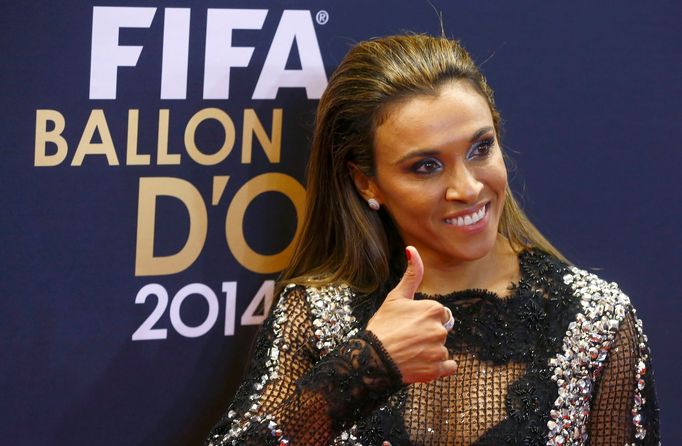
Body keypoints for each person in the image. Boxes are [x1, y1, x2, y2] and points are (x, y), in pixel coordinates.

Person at [205, 34, 660, 446]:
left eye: (480, 148)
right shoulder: (317, 314)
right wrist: (368, 364)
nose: (467, 188)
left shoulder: (594, 320)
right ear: (367, 183)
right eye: (426, 166)